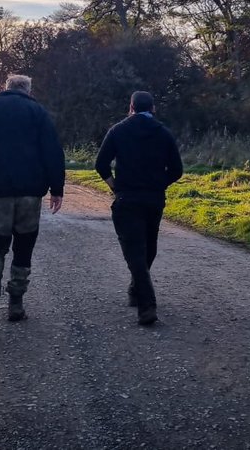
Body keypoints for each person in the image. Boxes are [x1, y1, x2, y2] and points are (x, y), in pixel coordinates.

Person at [0, 74, 66, 325]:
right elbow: (52, 150)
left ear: (6, 88)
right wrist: (56, 188)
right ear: (28, 90)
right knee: (24, 245)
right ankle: (16, 302)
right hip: (30, 191)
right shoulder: (37, 111)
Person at [94, 91, 183, 326]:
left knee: (134, 251)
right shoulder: (163, 133)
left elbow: (100, 164)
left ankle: (146, 305)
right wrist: (158, 184)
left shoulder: (118, 130)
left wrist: (116, 187)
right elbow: (177, 170)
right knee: (149, 247)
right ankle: (137, 290)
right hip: (153, 199)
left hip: (127, 199)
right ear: (153, 108)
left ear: (131, 107)